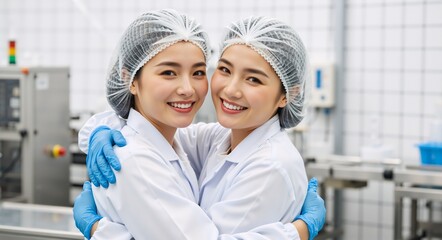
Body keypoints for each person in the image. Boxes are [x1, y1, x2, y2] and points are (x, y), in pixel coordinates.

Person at [75, 11, 326, 240]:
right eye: (225, 70)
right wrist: (98, 130)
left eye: (197, 72)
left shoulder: (269, 165)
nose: (230, 89)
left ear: (287, 95)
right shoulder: (136, 158)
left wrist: (102, 232)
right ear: (129, 79)